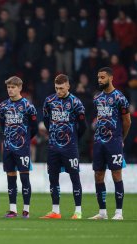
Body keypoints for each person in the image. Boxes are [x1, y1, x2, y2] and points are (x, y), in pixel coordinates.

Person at [41, 74, 87, 219]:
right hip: (54, 147)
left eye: (61, 88)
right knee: (53, 178)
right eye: (56, 88)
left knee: (75, 177)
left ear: (68, 86)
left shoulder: (76, 102)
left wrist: (74, 138)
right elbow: (46, 121)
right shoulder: (49, 101)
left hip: (70, 147)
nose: (59, 91)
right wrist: (54, 135)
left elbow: (83, 126)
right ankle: (56, 211)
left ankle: (78, 211)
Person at [89, 67, 131, 220]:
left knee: (116, 174)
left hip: (114, 141)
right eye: (98, 77)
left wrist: (121, 139)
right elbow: (98, 118)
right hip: (99, 142)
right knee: (98, 175)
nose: (100, 80)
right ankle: (102, 212)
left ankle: (119, 212)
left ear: (111, 78)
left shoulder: (120, 97)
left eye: (102, 77)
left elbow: (127, 121)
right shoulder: (97, 98)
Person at [0, 76, 37, 218]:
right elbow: (2, 125)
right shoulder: (3, 106)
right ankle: (13, 210)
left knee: (24, 178)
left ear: (20, 88)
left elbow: (34, 128)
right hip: (8, 147)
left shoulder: (28, 106)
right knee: (10, 177)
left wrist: (24, 140)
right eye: (8, 87)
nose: (10, 90)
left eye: (13, 87)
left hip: (22, 148)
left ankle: (26, 210)